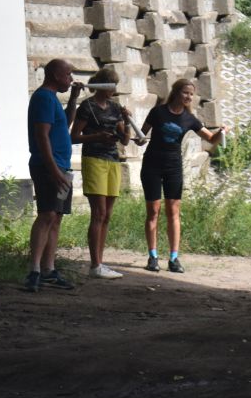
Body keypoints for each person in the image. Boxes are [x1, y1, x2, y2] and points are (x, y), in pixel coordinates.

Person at [135, 78, 225, 273]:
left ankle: (174, 258)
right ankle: (153, 256)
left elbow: (211, 139)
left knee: (173, 211)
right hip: (152, 165)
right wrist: (137, 139)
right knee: (153, 211)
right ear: (176, 92)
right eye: (185, 92)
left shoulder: (189, 119)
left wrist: (221, 132)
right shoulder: (158, 112)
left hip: (173, 168)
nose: (188, 97)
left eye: (191, 94)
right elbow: (141, 136)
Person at [23, 58, 83, 293]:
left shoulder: (53, 99)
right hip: (49, 167)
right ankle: (35, 270)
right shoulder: (44, 98)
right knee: (47, 214)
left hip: (60, 166)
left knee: (56, 216)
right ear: (56, 75)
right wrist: (53, 169)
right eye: (68, 75)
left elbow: (64, 125)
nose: (71, 79)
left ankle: (49, 269)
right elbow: (42, 135)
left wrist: (74, 100)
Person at [71, 67, 127, 280]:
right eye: (111, 85)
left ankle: (100, 263)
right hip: (94, 159)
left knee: (107, 215)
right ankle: (95, 265)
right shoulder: (88, 106)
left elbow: (124, 139)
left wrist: (127, 123)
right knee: (99, 213)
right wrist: (96, 137)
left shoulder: (115, 107)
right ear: (102, 85)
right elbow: (74, 136)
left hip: (113, 160)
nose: (114, 89)